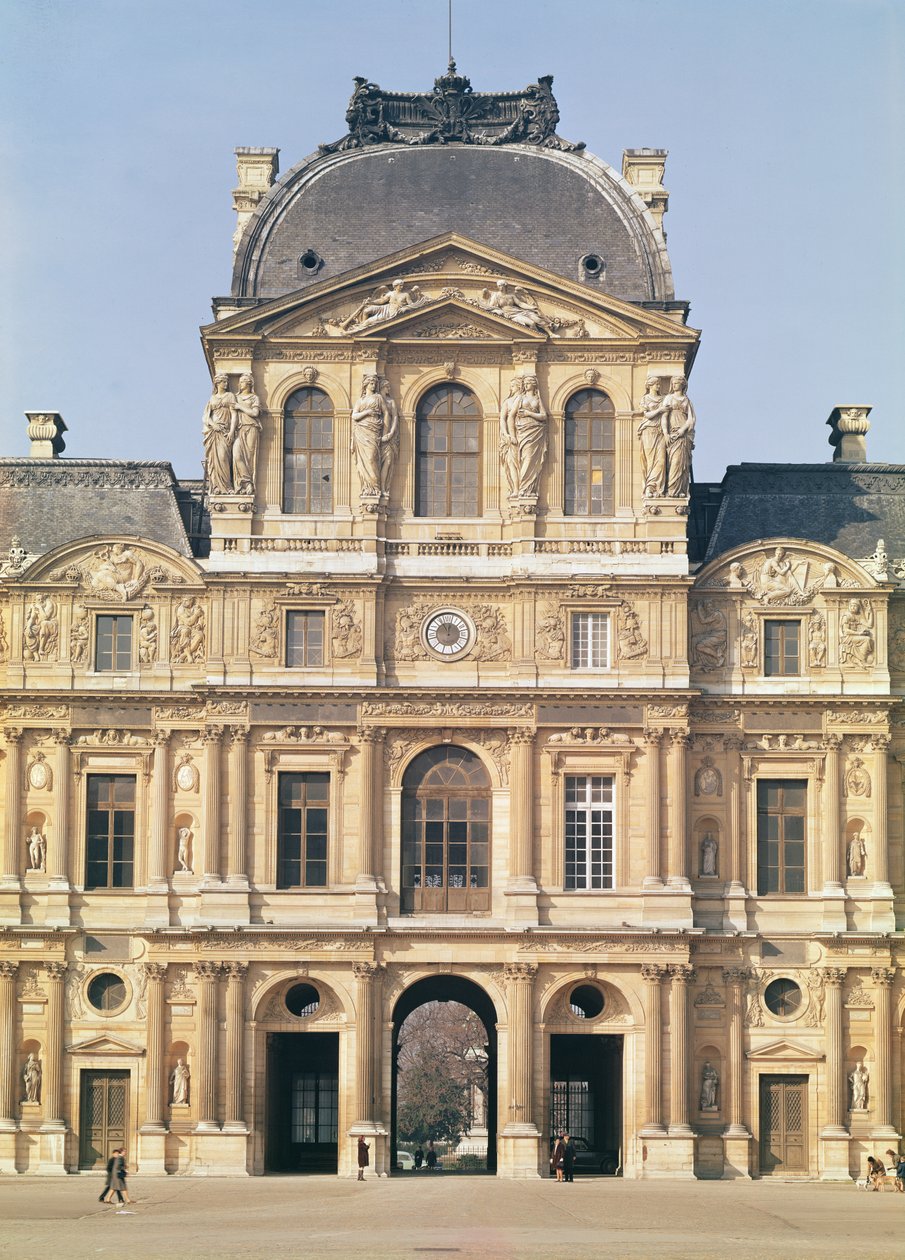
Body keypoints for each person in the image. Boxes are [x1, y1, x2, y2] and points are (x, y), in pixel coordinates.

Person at [202, 373, 238, 494]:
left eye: (226, 382)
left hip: (225, 431)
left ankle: (227, 486)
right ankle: (217, 486)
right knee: (214, 460)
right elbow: (206, 417)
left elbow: (234, 415)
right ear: (217, 383)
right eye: (223, 382)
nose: (226, 384)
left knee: (223, 458)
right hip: (213, 432)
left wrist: (232, 431)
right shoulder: (212, 399)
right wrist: (213, 425)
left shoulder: (230, 396)